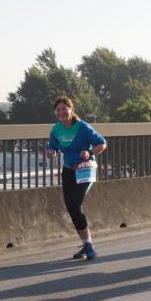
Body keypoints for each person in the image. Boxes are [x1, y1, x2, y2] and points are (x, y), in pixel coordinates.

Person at [45, 97, 108, 261]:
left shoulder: (83, 127)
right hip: (68, 170)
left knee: (75, 204)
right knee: (71, 207)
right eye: (58, 110)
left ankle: (89, 245)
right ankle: (87, 244)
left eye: (64, 109)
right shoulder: (56, 129)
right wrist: (51, 152)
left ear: (71, 110)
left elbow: (102, 143)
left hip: (85, 169)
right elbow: (52, 146)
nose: (61, 112)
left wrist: (90, 153)